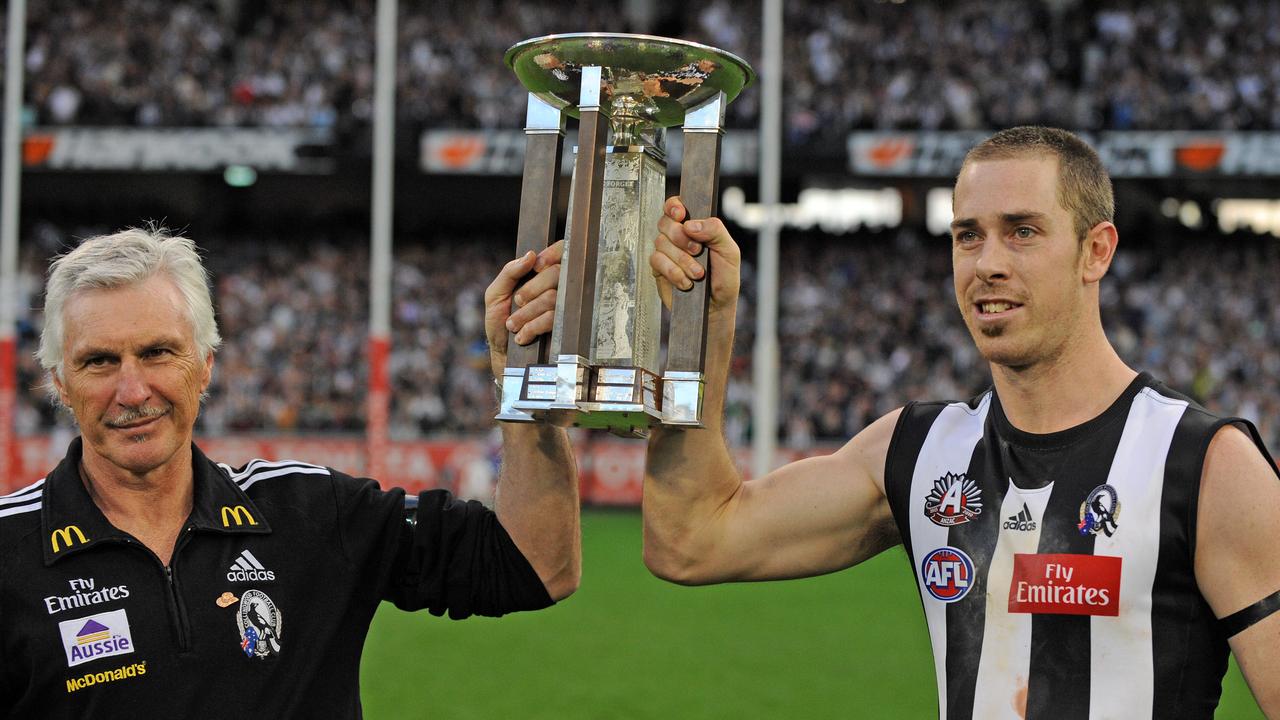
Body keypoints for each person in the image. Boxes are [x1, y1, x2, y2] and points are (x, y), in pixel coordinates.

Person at [508, 126, 1280, 717]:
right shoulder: (919, 451)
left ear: (1096, 250)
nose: (987, 263)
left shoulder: (1206, 467)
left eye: (1023, 230)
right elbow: (692, 539)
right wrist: (701, 326)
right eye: (967, 235)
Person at [0, 227, 580, 717]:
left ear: (204, 366)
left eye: (157, 353)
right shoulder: (8, 553)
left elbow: (535, 564)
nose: (132, 391)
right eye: (99, 361)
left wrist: (527, 378)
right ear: (58, 382)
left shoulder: (311, 513)